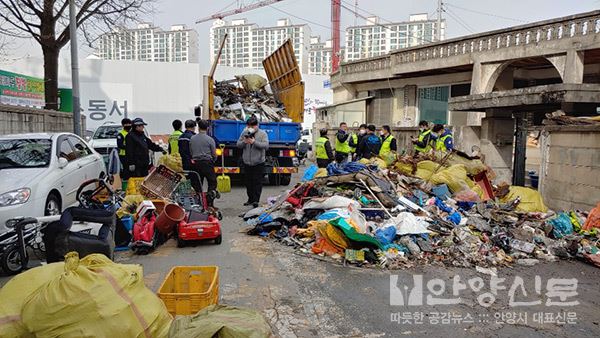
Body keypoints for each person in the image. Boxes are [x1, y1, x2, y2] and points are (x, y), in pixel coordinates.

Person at [237, 117, 269, 208]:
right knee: (248, 182)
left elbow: (266, 146)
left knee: (257, 182)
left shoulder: (262, 134)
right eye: (249, 126)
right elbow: (238, 144)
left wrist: (254, 142)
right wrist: (244, 142)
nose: (251, 128)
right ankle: (250, 199)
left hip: (258, 162)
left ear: (257, 125)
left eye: (253, 126)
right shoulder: (244, 133)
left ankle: (256, 200)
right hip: (247, 162)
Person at [190, 119, 219, 208]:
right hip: (207, 163)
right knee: (212, 182)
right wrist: (213, 160)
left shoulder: (192, 138)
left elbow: (191, 151)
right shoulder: (210, 139)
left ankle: (199, 203)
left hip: (196, 163)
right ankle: (210, 203)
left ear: (198, 127)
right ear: (207, 128)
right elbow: (214, 153)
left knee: (197, 184)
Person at [116, 118, 132, 186]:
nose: (128, 125)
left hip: (132, 155)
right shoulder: (121, 134)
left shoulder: (132, 133)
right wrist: (130, 147)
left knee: (132, 170)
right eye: (126, 124)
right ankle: (126, 185)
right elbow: (120, 145)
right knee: (126, 170)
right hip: (124, 155)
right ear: (123, 125)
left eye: (129, 123)